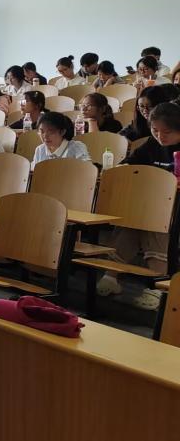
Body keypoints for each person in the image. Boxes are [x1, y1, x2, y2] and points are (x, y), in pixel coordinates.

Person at [97, 102, 180, 306]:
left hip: (173, 208)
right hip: (150, 203)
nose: (160, 136)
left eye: (167, 132)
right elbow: (130, 163)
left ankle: (157, 287)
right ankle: (111, 276)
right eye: (155, 130)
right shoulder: (152, 144)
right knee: (132, 220)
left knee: (153, 224)